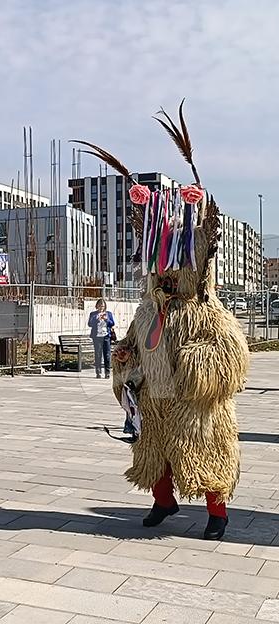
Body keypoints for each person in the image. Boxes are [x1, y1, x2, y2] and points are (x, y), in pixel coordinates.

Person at [80, 101, 249, 541]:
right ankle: (163, 499)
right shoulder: (146, 310)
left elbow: (230, 359)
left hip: (193, 403)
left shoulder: (206, 311)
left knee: (204, 451)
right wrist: (125, 357)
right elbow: (135, 345)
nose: (168, 277)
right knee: (153, 450)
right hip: (153, 396)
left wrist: (197, 363)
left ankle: (218, 512)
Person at [88, 299, 115, 379]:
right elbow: (90, 324)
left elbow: (112, 323)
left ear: (105, 306)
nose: (101, 307)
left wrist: (106, 319)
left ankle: (107, 372)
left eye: (102, 306)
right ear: (97, 306)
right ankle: (98, 372)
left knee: (107, 354)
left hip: (106, 336)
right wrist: (97, 319)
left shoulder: (108, 314)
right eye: (99, 306)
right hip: (97, 337)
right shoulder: (93, 314)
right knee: (98, 354)